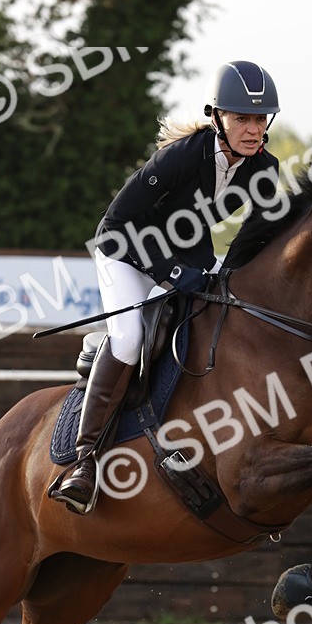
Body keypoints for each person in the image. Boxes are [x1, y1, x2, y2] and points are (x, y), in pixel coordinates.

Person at [50, 60, 281, 514]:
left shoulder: (264, 169)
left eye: (260, 119)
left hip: (185, 251)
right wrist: (174, 275)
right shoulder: (181, 157)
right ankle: (84, 460)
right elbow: (118, 223)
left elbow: (259, 238)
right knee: (131, 336)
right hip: (123, 251)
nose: (253, 130)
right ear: (218, 118)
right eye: (242, 119)